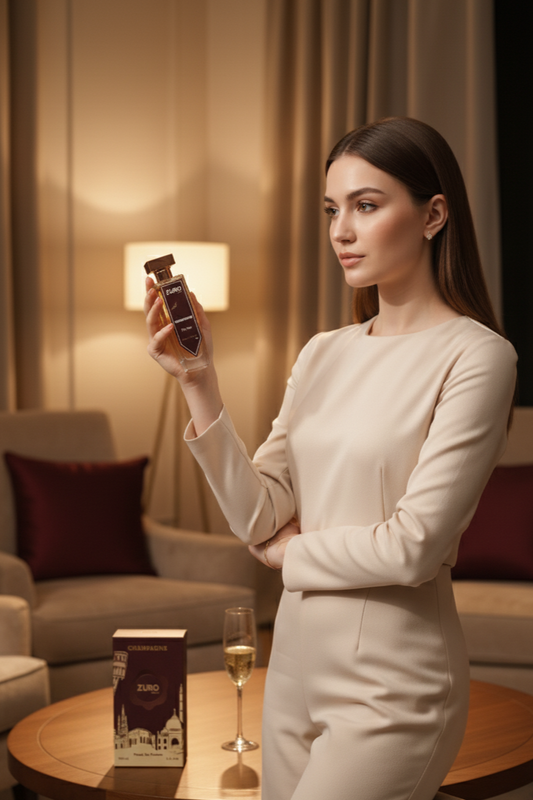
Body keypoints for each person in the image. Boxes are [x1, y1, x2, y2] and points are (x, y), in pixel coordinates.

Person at [144, 117, 517, 800]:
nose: (340, 231)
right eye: (331, 210)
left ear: (433, 215)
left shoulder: (477, 358)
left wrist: (289, 556)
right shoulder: (322, 351)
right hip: (289, 674)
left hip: (393, 691)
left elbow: (413, 547)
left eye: (366, 206)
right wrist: (199, 380)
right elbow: (257, 513)